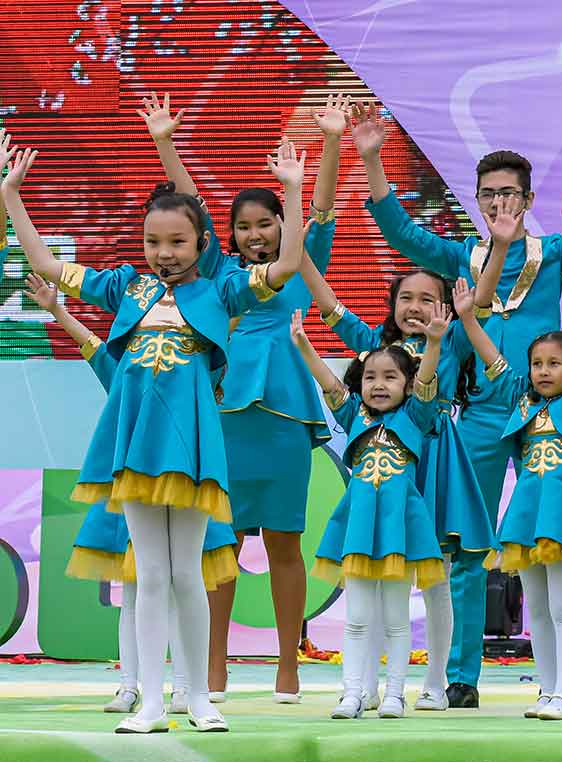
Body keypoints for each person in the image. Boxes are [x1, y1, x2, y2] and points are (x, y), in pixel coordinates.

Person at [7, 133, 306, 733]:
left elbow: (289, 265)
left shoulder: (221, 289)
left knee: (187, 574)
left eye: (177, 242)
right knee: (149, 577)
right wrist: (11, 196)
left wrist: (294, 193)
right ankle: (149, 701)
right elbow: (46, 265)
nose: (163, 253)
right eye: (152, 242)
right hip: (138, 448)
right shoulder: (126, 286)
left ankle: (198, 699)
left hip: (192, 448)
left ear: (203, 243)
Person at [354, 99, 562, 709]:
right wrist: (373, 159)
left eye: (509, 193)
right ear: (477, 200)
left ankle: (558, 680)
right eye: (488, 194)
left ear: (527, 199)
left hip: (544, 417)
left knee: (553, 543)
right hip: (481, 414)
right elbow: (401, 233)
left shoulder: (554, 253)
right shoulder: (463, 257)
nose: (498, 202)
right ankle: (461, 677)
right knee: (467, 548)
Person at [141, 93, 347, 704]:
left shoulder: (298, 265)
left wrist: (329, 144)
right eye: (244, 226)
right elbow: (190, 212)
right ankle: (214, 669)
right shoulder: (222, 277)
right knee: (220, 546)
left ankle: (288, 666)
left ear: (283, 226)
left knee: (284, 541)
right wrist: (164, 143)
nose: (255, 235)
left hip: (284, 418)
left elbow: (322, 210)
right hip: (224, 417)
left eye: (266, 224)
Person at [37, 276, 241, 716]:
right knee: (138, 591)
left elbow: (227, 317)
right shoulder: (126, 366)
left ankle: (186, 689)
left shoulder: (198, 369)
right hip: (134, 490)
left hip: (184, 485)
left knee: (183, 584)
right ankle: (132, 687)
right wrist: (57, 310)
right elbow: (93, 347)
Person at [459, 197, 562, 721]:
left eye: (555, 363)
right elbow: (491, 357)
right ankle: (546, 690)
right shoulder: (520, 399)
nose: (543, 371)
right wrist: (467, 319)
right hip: (527, 516)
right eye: (537, 363)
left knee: (561, 606)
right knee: (536, 609)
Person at [305, 263, 483, 711]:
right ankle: (364, 686)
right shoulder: (376, 348)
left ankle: (436, 683)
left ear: (444, 307)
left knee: (437, 579)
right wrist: (301, 255)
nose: (415, 307)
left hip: (436, 462)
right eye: (406, 298)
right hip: (383, 472)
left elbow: (476, 308)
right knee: (372, 577)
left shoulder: (452, 339)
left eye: (427, 299)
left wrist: (497, 249)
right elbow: (331, 308)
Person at [293, 309, 453, 721]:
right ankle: (352, 694)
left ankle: (395, 695)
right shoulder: (354, 415)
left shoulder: (416, 416)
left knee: (397, 620)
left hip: (399, 527)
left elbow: (427, 379)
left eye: (390, 377)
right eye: (370, 378)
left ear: (408, 384)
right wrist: (305, 346)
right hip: (360, 529)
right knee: (357, 619)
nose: (379, 385)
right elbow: (328, 383)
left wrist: (434, 343)